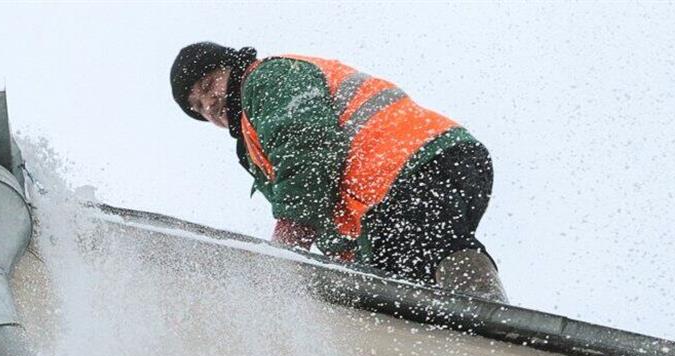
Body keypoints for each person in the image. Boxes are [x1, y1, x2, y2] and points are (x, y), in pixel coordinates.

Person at [170, 42, 508, 302]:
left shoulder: (266, 79)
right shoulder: (253, 142)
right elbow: (330, 210)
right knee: (392, 281)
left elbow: (309, 155)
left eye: (209, 84)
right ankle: (450, 338)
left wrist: (285, 255)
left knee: (423, 238)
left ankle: (486, 317)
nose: (209, 105)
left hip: (419, 159)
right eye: (197, 107)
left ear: (231, 67)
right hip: (389, 189)